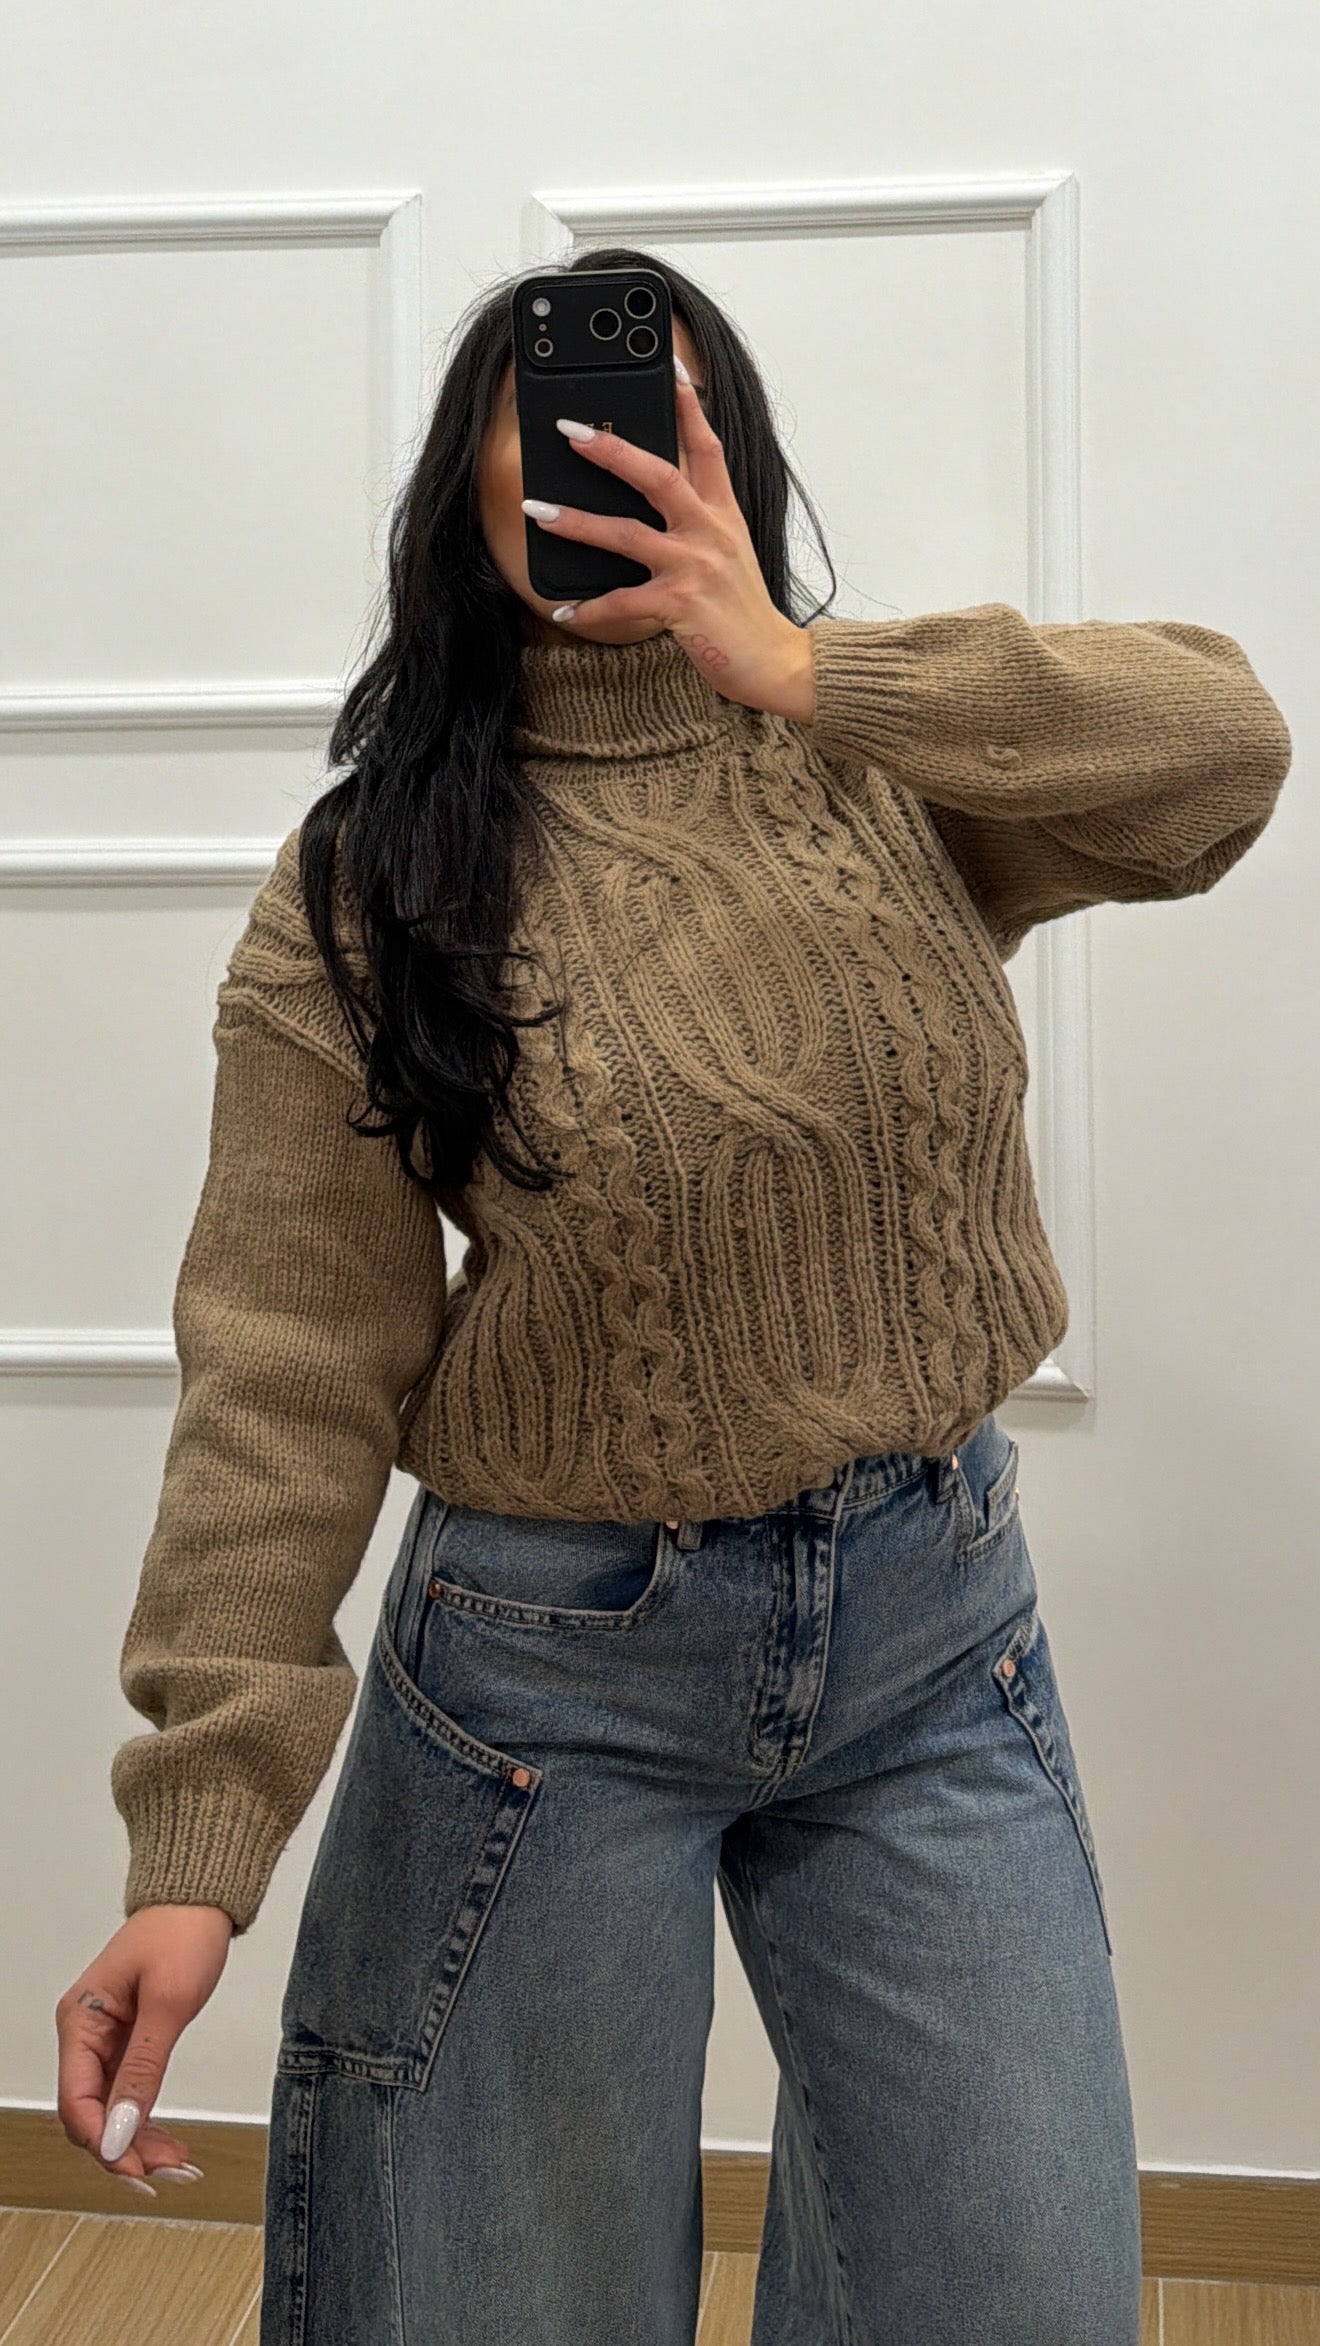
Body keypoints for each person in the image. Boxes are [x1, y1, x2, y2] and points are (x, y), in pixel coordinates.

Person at [55, 244, 1292, 2344]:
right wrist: (199, 1834)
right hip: (551, 1681)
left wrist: (806, 668)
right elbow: (284, 1368)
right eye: (554, 414)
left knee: (1017, 2290)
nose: (615, 445)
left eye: (668, 406)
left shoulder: (873, 762)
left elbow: (1222, 758)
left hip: (936, 1638)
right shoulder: (369, 885)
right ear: (467, 483)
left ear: (736, 461)